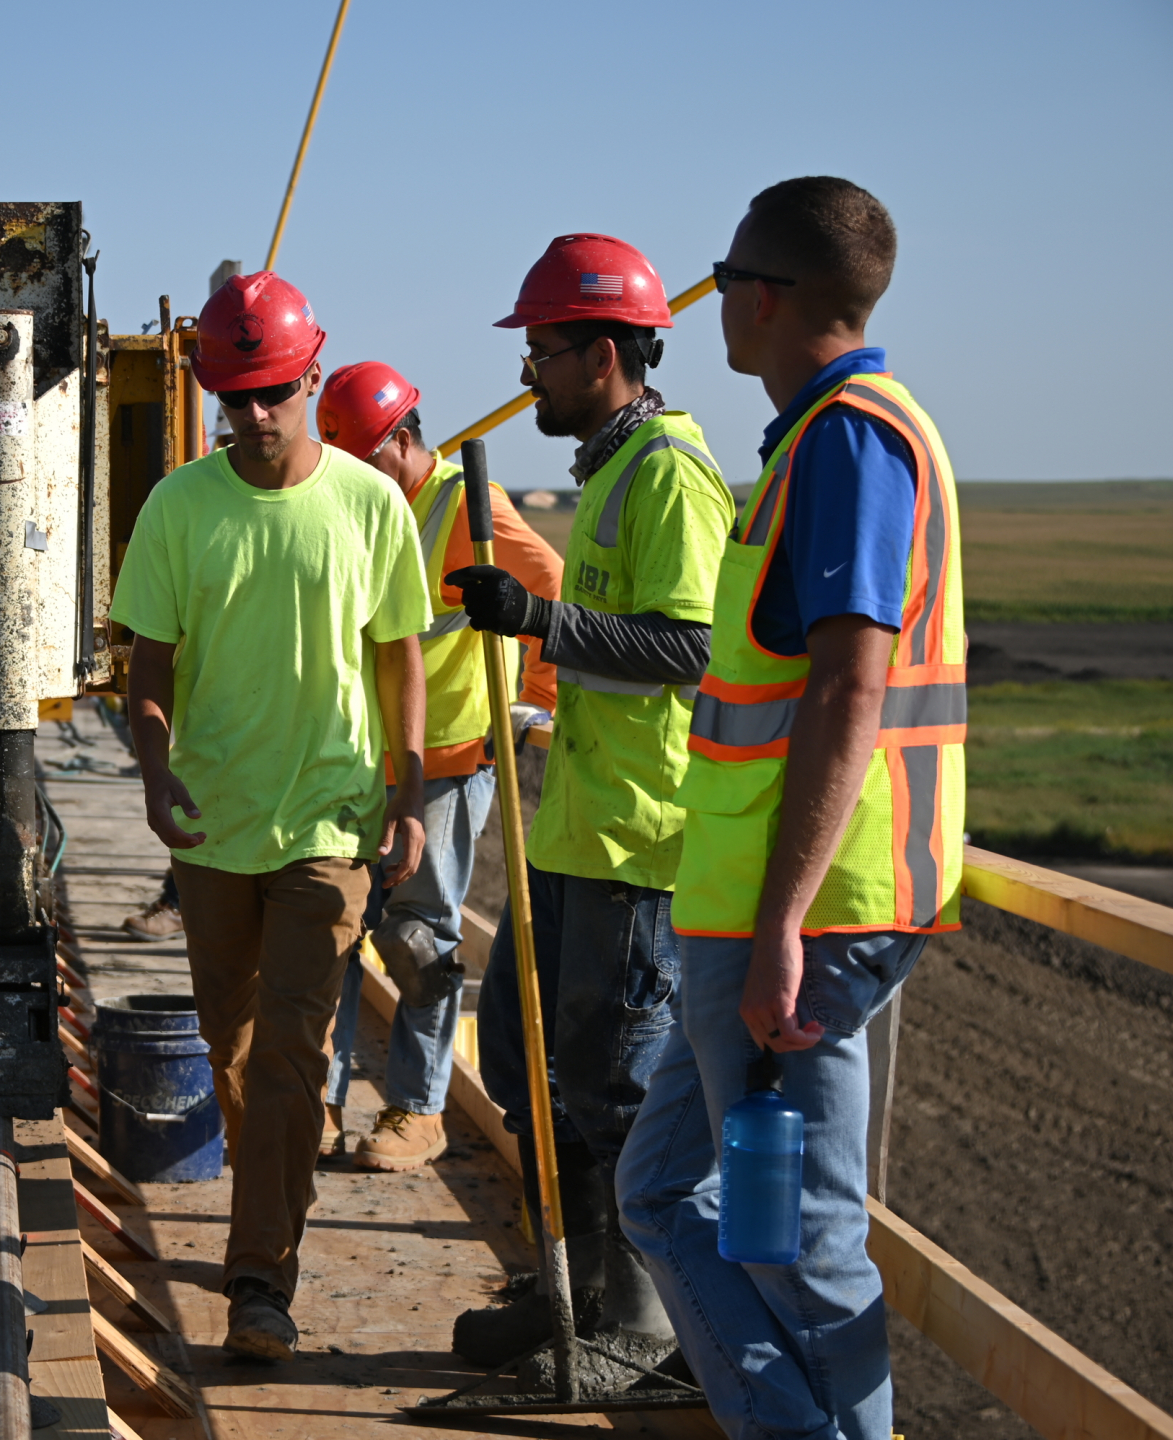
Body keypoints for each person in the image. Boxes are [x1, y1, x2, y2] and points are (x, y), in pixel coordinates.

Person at [615, 177, 964, 1439]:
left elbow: (846, 688)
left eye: (716, 283)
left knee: (805, 1251)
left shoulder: (847, 441)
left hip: (806, 916)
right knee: (661, 1193)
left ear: (760, 298)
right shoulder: (823, 436)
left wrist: (779, 928)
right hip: (756, 908)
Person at [109, 271, 432, 1363]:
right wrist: (155, 778)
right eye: (233, 398)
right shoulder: (178, 508)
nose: (254, 417)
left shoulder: (369, 504)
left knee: (296, 1047)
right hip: (212, 826)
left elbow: (399, 654)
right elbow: (147, 671)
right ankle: (268, 1210)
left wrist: (410, 788)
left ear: (311, 375)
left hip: (330, 823)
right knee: (234, 1049)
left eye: (275, 394)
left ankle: (259, 1280)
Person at [443, 233, 735, 1368]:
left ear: (603, 352)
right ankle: (562, 1287)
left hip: (636, 840)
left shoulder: (667, 472)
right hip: (575, 830)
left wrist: (533, 623)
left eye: (547, 351)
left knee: (614, 1089)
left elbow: (689, 646)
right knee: (521, 1067)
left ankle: (640, 1322)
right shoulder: (611, 466)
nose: (532, 375)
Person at [310, 361, 564, 1172]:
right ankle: (320, 1100)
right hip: (361, 757)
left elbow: (548, 585)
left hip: (448, 758)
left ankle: (417, 1112)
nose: (353, 477)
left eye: (364, 461)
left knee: (418, 940)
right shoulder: (362, 504)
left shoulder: (462, 503)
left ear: (404, 440)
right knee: (336, 929)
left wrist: (538, 700)